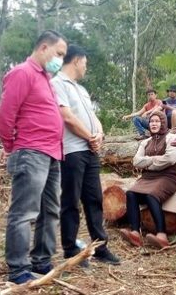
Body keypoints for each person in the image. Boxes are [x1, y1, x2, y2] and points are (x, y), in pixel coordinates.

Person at [0, 30, 67, 284]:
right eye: (59, 53)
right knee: (24, 212)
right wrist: (10, 145)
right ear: (43, 47)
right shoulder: (22, 73)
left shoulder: (46, 79)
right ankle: (18, 268)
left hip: (52, 152)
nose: (60, 59)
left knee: (51, 210)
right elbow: (5, 114)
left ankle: (42, 260)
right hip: (31, 150)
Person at [51, 44, 120, 267]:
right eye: (85, 64)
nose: (86, 68)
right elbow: (67, 117)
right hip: (72, 151)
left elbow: (92, 115)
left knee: (94, 199)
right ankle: (70, 249)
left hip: (90, 151)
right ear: (77, 61)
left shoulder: (80, 89)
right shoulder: (57, 84)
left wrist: (98, 133)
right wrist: (90, 136)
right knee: (71, 200)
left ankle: (100, 247)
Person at [120, 111, 176, 248]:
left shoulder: (172, 138)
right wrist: (154, 160)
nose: (153, 124)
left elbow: (170, 159)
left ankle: (162, 235)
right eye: (151, 121)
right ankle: (135, 233)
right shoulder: (145, 142)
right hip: (147, 178)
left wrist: (148, 163)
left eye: (157, 121)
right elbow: (136, 161)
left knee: (152, 195)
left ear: (163, 123)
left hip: (168, 177)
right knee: (131, 194)